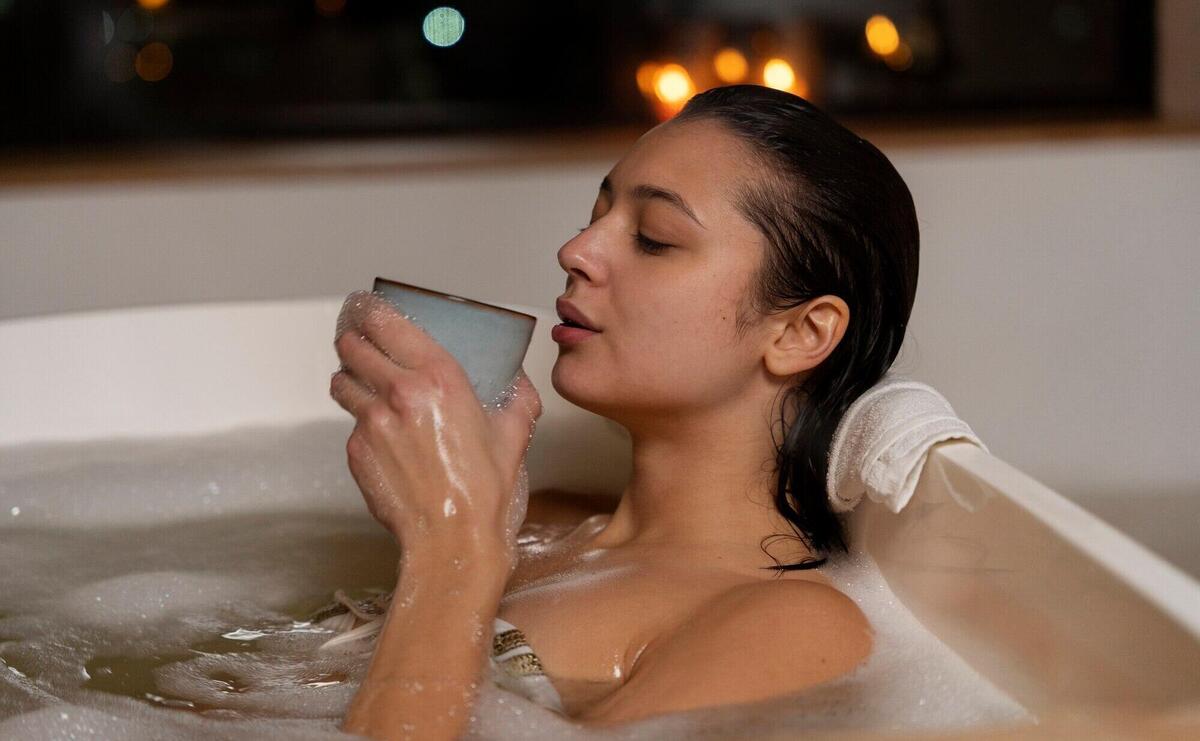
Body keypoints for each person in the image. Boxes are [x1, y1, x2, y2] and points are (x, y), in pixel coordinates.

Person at [328, 83, 919, 740]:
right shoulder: (536, 517)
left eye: (654, 238)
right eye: (594, 217)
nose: (575, 252)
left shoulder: (789, 621)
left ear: (799, 334)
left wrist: (450, 548)